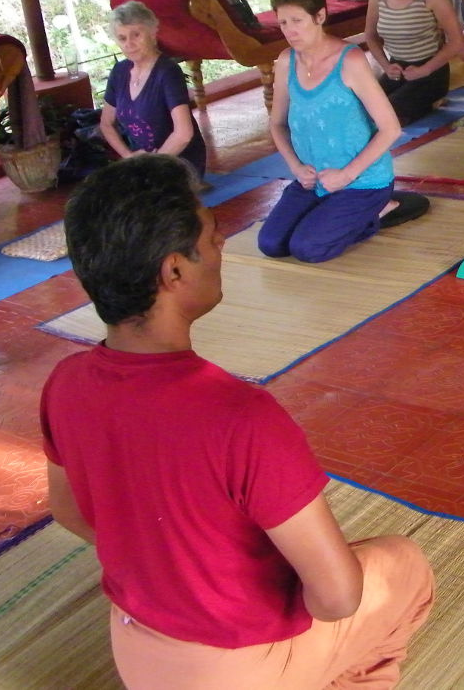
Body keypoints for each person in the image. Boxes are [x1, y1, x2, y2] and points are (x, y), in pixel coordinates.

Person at [42, 154, 434, 690]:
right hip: (236, 670)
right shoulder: (239, 416)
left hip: (137, 651)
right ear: (174, 271)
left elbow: (69, 510)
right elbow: (338, 598)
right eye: (212, 236)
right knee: (401, 564)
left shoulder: (64, 382)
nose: (222, 247)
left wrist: (162, 566)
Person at [259, 0, 427, 263]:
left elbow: (391, 129)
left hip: (361, 181)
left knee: (308, 249)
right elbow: (277, 124)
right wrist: (297, 167)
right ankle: (330, 213)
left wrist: (346, 175)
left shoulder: (349, 62)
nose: (290, 31)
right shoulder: (286, 61)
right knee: (271, 243)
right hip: (313, 180)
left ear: (320, 16)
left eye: (297, 20)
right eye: (283, 23)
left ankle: (379, 209)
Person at [363, 0, 464, 126]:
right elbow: (370, 36)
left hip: (430, 72)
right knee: (363, 109)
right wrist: (385, 65)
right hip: (396, 70)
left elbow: (457, 41)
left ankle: (431, 100)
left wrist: (425, 70)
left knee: (388, 116)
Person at [100, 0, 206, 177]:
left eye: (136, 35)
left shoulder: (167, 72)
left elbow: (184, 134)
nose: (129, 44)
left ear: (152, 33)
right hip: (142, 164)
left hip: (178, 161)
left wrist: (151, 164)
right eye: (122, 38)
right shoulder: (119, 72)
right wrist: (129, 158)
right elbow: (106, 124)